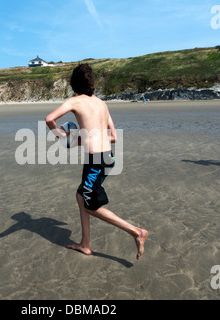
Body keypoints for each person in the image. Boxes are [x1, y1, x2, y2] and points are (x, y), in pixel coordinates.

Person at [45, 64, 148, 260]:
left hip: (96, 161)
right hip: (108, 157)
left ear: (74, 84)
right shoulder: (102, 104)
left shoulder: (75, 101)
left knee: (91, 206)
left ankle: (136, 231)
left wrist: (62, 137)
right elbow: (114, 137)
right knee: (81, 196)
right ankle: (85, 244)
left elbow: (49, 119)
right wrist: (85, 138)